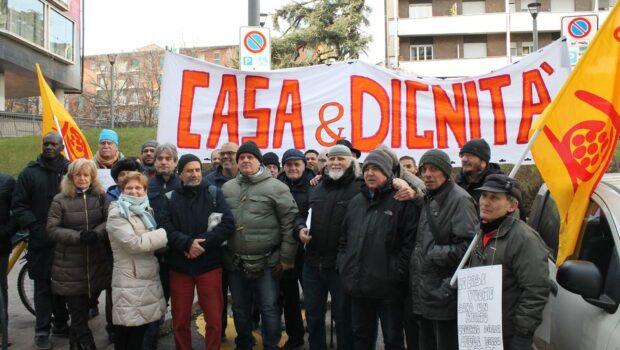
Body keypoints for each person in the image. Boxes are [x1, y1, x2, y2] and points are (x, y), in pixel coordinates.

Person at [222, 141, 299, 350]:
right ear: (237, 162)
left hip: (267, 263)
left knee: (269, 307)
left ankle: (271, 345)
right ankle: (244, 343)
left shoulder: (277, 187)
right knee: (239, 308)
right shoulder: (227, 188)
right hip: (235, 262)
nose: (246, 160)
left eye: (250, 157)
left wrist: (286, 258)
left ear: (259, 161)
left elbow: (289, 225)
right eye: (242, 157)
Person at [338, 150, 417, 350]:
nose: (370, 173)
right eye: (367, 169)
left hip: (388, 289)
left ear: (388, 173)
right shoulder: (356, 202)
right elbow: (344, 239)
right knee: (361, 337)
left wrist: (396, 274)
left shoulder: (401, 201)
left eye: (376, 169)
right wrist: (344, 265)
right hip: (358, 286)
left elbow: (410, 244)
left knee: (392, 339)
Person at [159, 154, 235, 350]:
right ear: (180, 173)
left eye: (197, 170)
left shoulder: (214, 194)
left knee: (214, 320)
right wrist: (187, 244)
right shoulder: (170, 198)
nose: (194, 174)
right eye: (189, 170)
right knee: (180, 320)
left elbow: (228, 225)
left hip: (208, 265)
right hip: (179, 267)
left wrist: (201, 245)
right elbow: (165, 227)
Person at [469, 174, 549, 350]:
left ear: (512, 206)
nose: (485, 202)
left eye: (494, 198)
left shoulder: (524, 239)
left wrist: (522, 334)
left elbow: (535, 291)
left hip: (508, 335)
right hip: (481, 330)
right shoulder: (480, 231)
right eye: (484, 196)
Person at [410, 149, 478, 350]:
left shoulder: (459, 199)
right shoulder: (430, 197)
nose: (427, 174)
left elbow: (470, 248)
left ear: (446, 172)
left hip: (446, 290)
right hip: (426, 289)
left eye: (433, 169)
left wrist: (431, 254)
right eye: (424, 170)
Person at [295, 144, 360, 350]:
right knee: (313, 317)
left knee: (343, 319)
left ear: (351, 161)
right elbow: (300, 214)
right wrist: (299, 230)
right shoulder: (316, 186)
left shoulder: (360, 187)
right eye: (331, 159)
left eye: (341, 159)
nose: (335, 162)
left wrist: (401, 182)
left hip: (341, 266)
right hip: (313, 264)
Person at [12, 132, 70, 350]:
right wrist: (36, 228)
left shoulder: (71, 171)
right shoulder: (29, 173)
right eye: (46, 143)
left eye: (53, 143)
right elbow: (19, 205)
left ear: (61, 146)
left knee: (65, 287)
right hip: (40, 241)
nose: (49, 147)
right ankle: (42, 331)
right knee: (43, 287)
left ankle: (62, 325)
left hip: (66, 241)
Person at [46, 158, 112, 350]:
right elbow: (51, 229)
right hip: (70, 267)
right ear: (71, 176)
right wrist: (79, 236)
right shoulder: (60, 200)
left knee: (82, 313)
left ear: (92, 177)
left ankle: (75, 345)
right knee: (79, 316)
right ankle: (87, 345)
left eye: (86, 175)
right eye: (78, 175)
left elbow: (110, 220)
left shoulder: (101, 196)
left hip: (96, 263)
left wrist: (97, 233)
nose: (82, 179)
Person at [106, 172, 168, 350]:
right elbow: (134, 244)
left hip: (146, 276)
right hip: (129, 278)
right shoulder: (117, 213)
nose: (134, 191)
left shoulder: (145, 210)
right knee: (128, 331)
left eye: (138, 187)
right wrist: (164, 234)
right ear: (122, 190)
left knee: (139, 330)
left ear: (145, 190)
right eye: (129, 188)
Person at [143, 143, 181, 350]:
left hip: (177, 253)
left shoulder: (183, 185)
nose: (164, 162)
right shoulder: (146, 185)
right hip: (152, 254)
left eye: (168, 158)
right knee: (154, 302)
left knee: (179, 303)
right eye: (160, 158)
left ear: (175, 162)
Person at [277, 149, 315, 349]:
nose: (292, 168)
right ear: (284, 166)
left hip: (308, 250)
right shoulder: (277, 185)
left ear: (304, 165)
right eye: (289, 164)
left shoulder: (315, 185)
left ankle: (316, 337)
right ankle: (295, 337)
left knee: (312, 298)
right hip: (285, 250)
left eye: (296, 164)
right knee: (289, 298)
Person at [205, 141, 239, 338]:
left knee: (241, 296)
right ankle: (220, 333)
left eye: (230, 153)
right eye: (223, 154)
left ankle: (246, 331)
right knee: (217, 296)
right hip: (217, 248)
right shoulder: (208, 180)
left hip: (240, 246)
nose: (226, 157)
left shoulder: (246, 177)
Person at [0, 172, 17, 345]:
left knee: (0, 287)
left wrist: (6, 232)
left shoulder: (7, 181)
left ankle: (1, 331)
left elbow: (18, 209)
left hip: (0, 243)